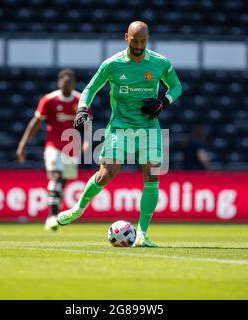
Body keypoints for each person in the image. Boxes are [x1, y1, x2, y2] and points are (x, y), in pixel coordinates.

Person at [57, 21, 182, 247]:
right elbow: (90, 88)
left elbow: (176, 87)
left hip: (149, 127)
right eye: (135, 41)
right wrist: (83, 108)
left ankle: (143, 234)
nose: (139, 45)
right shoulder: (112, 65)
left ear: (148, 39)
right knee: (106, 174)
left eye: (143, 41)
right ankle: (78, 209)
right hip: (120, 127)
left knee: (152, 176)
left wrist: (164, 101)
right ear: (126, 37)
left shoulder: (159, 62)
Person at [16, 69, 88, 231]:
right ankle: (52, 217)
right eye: (65, 80)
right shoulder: (49, 100)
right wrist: (23, 144)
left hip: (72, 149)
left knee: (62, 183)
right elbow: (35, 123)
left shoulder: (80, 100)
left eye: (71, 81)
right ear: (59, 82)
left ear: (74, 83)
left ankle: (55, 211)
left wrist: (87, 141)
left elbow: (87, 124)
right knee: (55, 176)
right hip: (54, 147)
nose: (68, 83)